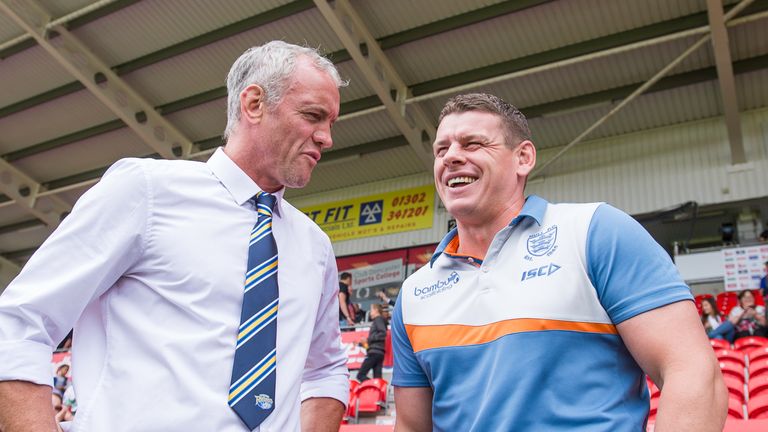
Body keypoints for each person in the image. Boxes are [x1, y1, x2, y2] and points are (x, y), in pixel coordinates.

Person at [0, 41, 349, 432]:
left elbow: (326, 370)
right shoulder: (146, 191)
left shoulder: (314, 246)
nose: (326, 138)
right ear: (254, 104)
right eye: (313, 116)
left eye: (331, 123)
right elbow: (19, 322)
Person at [391, 93, 727, 431]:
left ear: (523, 157)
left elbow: (694, 374)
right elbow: (411, 425)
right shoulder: (415, 293)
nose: (451, 157)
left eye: (472, 144)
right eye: (441, 149)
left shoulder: (595, 232)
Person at [356, 304, 389, 382]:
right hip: (378, 352)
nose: (370, 312)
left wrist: (368, 339)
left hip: (374, 352)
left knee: (360, 375)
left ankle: (373, 385)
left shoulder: (378, 319)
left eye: (371, 310)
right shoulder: (379, 320)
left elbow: (382, 333)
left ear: (376, 310)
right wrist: (361, 344)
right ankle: (377, 388)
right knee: (377, 379)